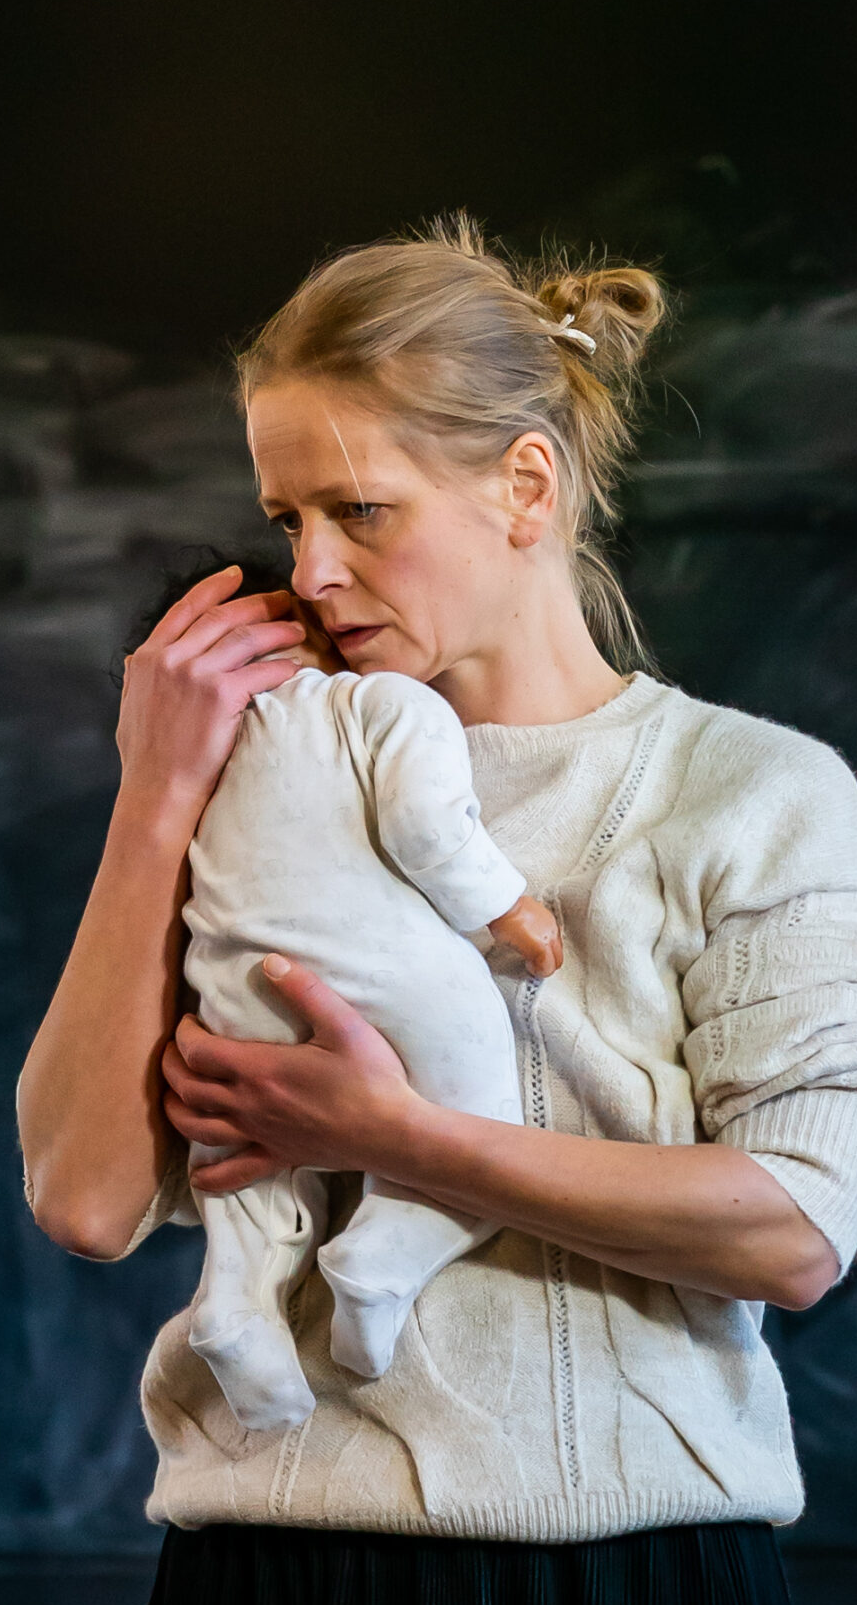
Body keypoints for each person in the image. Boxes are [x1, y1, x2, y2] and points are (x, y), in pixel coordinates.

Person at [18, 218, 857, 1605]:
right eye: (281, 523)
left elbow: (790, 1231)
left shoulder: (742, 793)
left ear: (521, 486)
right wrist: (155, 791)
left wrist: (399, 1139)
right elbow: (87, 1198)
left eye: (356, 512)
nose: (308, 572)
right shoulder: (258, 769)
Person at [115, 555, 560, 1432]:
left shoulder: (201, 771)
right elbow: (428, 828)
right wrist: (509, 909)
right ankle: (385, 1256)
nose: (319, 575)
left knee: (243, 1167)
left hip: (232, 990)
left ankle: (238, 1302)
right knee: (481, 1118)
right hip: (387, 977)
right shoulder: (380, 703)